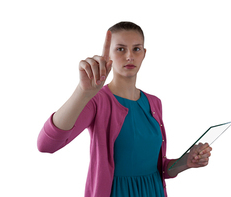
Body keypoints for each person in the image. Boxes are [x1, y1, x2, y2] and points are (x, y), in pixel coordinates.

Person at [37, 21, 212, 197]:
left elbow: (159, 169)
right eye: (120, 49)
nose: (129, 56)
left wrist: (186, 162)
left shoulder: (154, 103)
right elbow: (46, 144)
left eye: (136, 49)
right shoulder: (97, 101)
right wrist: (82, 93)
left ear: (144, 54)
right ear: (109, 54)